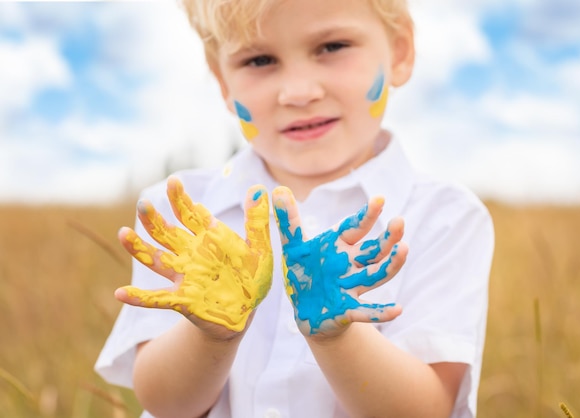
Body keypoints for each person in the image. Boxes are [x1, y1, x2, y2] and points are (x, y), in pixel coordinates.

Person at [95, 0, 495, 417]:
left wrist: (336, 337)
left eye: (332, 46)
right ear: (223, 83)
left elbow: (426, 409)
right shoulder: (182, 215)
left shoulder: (445, 218)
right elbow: (166, 406)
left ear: (399, 51)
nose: (299, 92)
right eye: (260, 59)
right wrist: (212, 335)